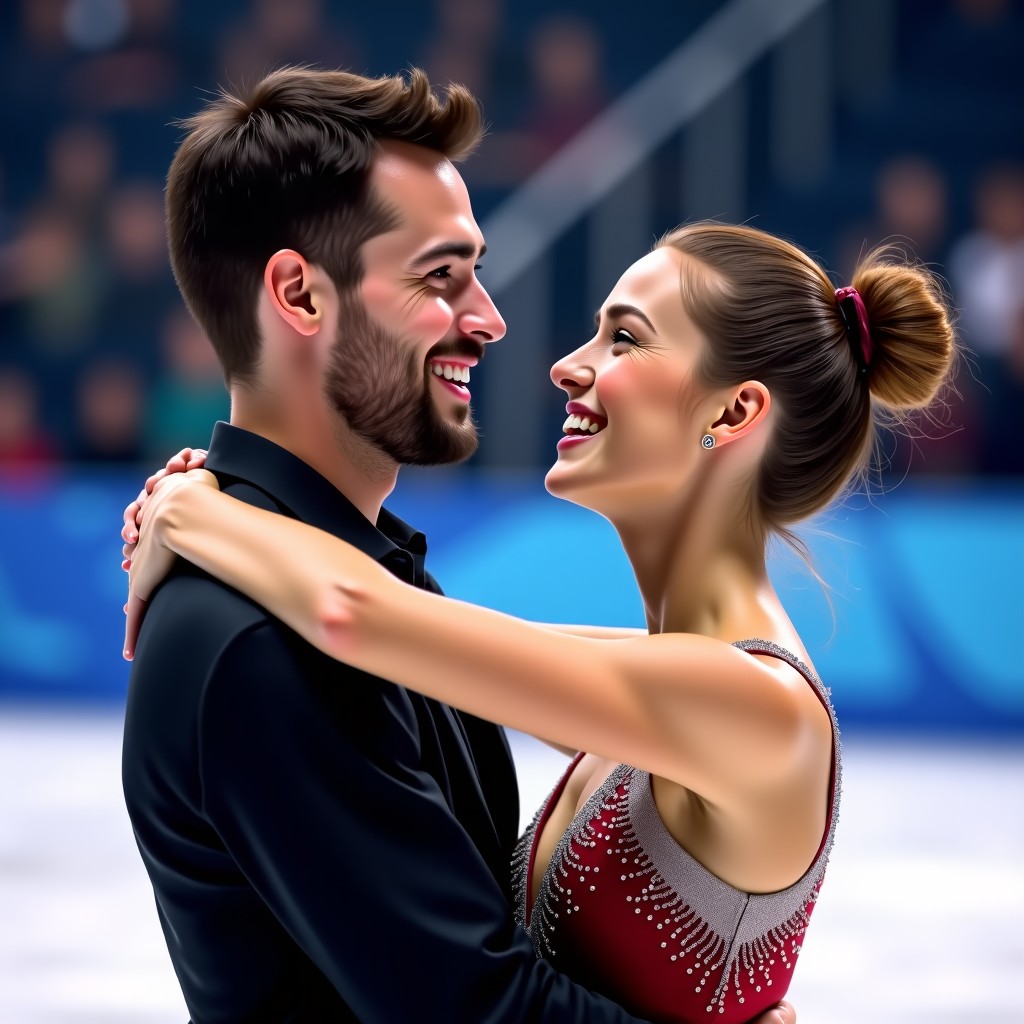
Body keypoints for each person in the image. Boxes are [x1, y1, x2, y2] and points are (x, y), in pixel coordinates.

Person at [123, 208, 956, 1017]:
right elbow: (416, 645)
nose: (565, 363)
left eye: (624, 338)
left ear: (732, 413)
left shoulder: (755, 709)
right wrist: (228, 501)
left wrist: (192, 513)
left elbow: (354, 612)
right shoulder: (669, 674)